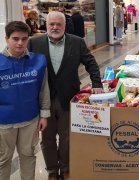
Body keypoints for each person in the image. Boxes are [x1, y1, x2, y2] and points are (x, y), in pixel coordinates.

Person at [28, 11, 103, 180]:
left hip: (68, 97)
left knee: (67, 137)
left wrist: (97, 84)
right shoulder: (34, 43)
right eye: (51, 24)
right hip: (43, 101)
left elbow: (91, 63)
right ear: (45, 25)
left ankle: (67, 169)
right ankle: (52, 172)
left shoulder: (76, 42)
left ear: (65, 26)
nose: (55, 27)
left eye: (58, 24)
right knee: (47, 139)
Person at [0, 21, 50, 180]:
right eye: (15, 39)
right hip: (4, 122)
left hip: (30, 119)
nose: (20, 43)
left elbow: (44, 89)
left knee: (28, 156)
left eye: (24, 38)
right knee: (3, 159)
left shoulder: (38, 61)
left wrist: (44, 115)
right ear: (6, 38)